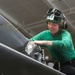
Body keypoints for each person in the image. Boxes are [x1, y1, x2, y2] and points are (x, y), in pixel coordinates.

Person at [29, 8, 75, 75]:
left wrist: (44, 42)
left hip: (72, 63)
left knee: (66, 69)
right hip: (59, 64)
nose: (51, 27)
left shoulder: (65, 34)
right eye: (49, 23)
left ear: (60, 26)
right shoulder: (45, 34)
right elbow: (30, 40)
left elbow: (64, 44)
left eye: (54, 25)